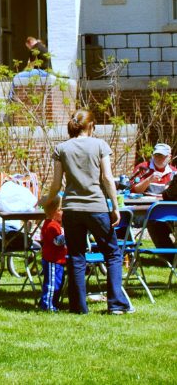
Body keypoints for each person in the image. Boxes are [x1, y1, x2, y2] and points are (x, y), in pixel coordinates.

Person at [38, 109, 133, 314]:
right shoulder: (100, 145)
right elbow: (107, 178)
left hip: (71, 209)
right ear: (91, 125)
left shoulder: (61, 148)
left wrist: (45, 199)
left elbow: (56, 184)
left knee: (76, 256)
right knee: (113, 254)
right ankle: (116, 304)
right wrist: (115, 206)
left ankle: (78, 307)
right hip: (96, 207)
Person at [130, 143, 176, 259]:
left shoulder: (173, 172)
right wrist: (149, 180)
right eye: (156, 156)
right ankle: (170, 256)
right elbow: (133, 191)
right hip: (143, 211)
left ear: (169, 157)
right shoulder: (143, 168)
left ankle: (171, 255)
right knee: (153, 221)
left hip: (167, 210)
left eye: (162, 156)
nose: (159, 159)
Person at [39, 202, 66, 312]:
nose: (63, 212)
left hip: (58, 259)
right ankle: (48, 305)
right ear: (54, 212)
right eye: (60, 210)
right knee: (52, 284)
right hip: (52, 259)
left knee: (58, 282)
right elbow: (57, 242)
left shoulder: (55, 224)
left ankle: (53, 302)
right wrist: (67, 234)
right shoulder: (52, 226)